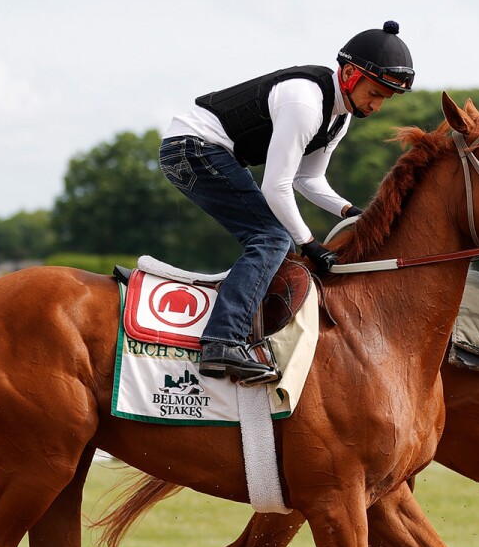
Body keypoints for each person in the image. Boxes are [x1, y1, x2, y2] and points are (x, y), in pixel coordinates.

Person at [159, 22, 415, 383]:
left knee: (272, 238)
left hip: (204, 152)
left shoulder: (338, 119)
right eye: (374, 93)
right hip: (192, 149)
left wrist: (352, 212)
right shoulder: (305, 103)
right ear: (349, 74)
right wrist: (309, 243)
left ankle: (236, 334)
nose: (376, 105)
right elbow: (276, 186)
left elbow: (307, 179)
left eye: (384, 99)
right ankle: (221, 342)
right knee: (272, 239)